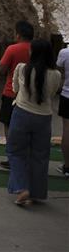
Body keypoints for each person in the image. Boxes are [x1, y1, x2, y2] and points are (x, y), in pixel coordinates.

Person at [6, 38, 62, 205]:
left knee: (15, 152)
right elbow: (52, 94)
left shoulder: (22, 68)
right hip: (44, 117)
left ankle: (22, 188)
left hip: (22, 113)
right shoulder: (56, 74)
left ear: (33, 52)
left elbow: (15, 89)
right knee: (40, 156)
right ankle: (37, 192)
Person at [0, 20, 34, 169]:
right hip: (32, 93)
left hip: (11, 92)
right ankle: (28, 156)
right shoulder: (37, 49)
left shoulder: (12, 49)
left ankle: (12, 156)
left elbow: (2, 69)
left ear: (18, 34)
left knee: (9, 125)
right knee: (28, 126)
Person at [56, 45, 69, 177]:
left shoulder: (65, 53)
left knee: (67, 129)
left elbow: (59, 72)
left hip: (67, 95)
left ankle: (68, 166)